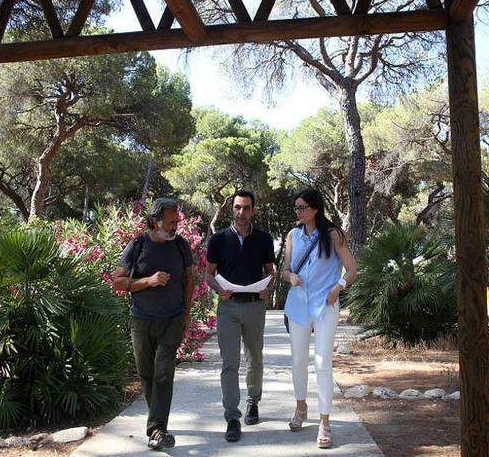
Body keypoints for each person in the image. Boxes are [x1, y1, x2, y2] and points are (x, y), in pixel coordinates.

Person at [112, 198, 194, 451]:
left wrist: (187, 314)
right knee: (146, 373)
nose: (175, 228)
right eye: (170, 223)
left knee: (163, 373)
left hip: (172, 318)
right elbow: (118, 281)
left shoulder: (181, 245)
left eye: (176, 223)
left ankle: (157, 429)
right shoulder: (137, 245)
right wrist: (148, 281)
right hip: (142, 320)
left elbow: (188, 279)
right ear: (155, 221)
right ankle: (157, 421)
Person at [281, 188, 357, 449]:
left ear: (315, 209)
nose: (298, 212)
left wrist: (338, 287)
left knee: (323, 362)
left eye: (302, 207)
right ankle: (301, 407)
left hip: (326, 306)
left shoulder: (333, 234)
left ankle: (325, 422)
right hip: (299, 306)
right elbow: (285, 270)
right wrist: (290, 277)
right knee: (298, 360)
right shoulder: (293, 236)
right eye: (296, 208)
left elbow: (352, 269)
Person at [204, 190, 276, 442]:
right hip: (228, 308)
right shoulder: (218, 240)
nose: (241, 212)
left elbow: (271, 271)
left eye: (246, 208)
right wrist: (219, 290)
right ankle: (232, 417)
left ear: (253, 210)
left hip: (255, 306)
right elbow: (208, 274)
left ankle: (253, 402)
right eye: (237, 207)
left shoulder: (265, 239)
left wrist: (269, 287)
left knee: (255, 359)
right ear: (231, 209)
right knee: (230, 362)